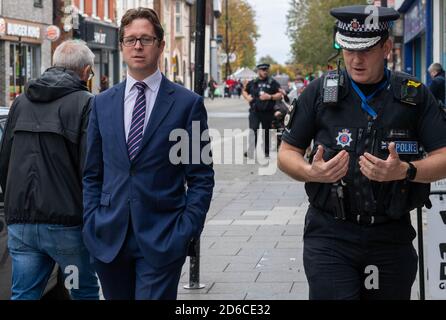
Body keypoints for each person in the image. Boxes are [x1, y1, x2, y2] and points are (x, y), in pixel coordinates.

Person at [278, 5, 446, 300]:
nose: (355, 60)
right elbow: (287, 152)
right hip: (330, 234)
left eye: (366, 51)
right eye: (348, 49)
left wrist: (407, 171)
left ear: (385, 47)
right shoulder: (320, 92)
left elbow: (443, 156)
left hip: (389, 236)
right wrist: (310, 172)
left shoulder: (414, 94)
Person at [82, 7, 214, 300]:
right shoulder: (102, 103)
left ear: (161, 45)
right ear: (122, 46)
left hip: (163, 236)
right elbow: (92, 173)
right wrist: (91, 220)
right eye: (130, 40)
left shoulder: (186, 104)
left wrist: (187, 229)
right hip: (109, 237)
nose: (137, 46)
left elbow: (201, 176)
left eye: (146, 39)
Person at [0, 40, 100, 300]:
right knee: (82, 291)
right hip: (66, 226)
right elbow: (90, 166)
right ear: (86, 71)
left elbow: (5, 159)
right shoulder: (86, 104)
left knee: (23, 294)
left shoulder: (20, 102)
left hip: (21, 223)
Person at [242, 63, 282, 158]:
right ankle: (251, 151)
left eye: (266, 70)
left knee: (266, 131)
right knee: (253, 130)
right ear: (258, 71)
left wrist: (270, 96)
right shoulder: (253, 82)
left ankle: (266, 151)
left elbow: (280, 94)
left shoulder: (272, 82)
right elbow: (244, 91)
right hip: (255, 111)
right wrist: (247, 97)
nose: (265, 71)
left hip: (267, 111)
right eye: (263, 70)